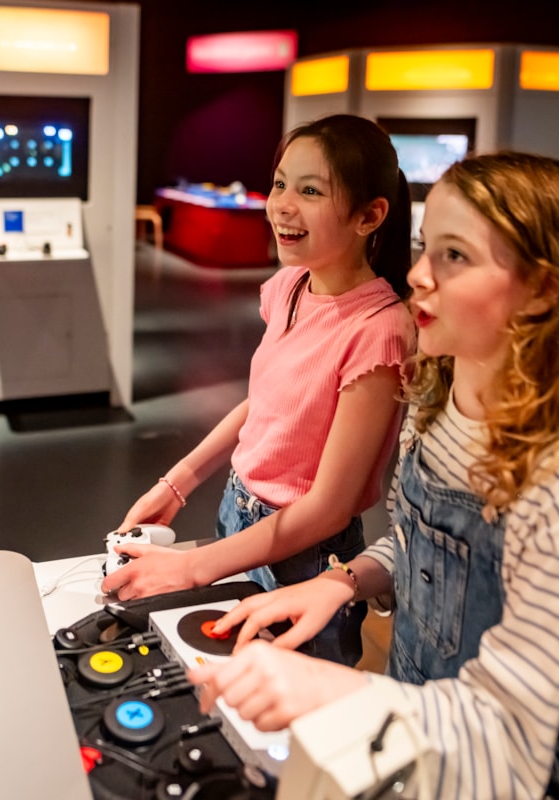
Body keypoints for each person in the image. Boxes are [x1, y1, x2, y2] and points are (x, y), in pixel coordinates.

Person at [188, 152, 559, 799]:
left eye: (455, 256)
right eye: (426, 248)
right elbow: (434, 542)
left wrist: (333, 687)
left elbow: (510, 733)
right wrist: (345, 581)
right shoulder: (440, 400)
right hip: (420, 734)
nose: (418, 275)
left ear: (544, 289)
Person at [102, 114, 416, 666]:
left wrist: (194, 567)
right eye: (279, 184)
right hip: (239, 513)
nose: (282, 205)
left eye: (311, 191)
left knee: (299, 705)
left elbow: (327, 509)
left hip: (308, 554)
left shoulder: (378, 330)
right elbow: (267, 400)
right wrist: (176, 485)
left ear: (370, 215)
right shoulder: (291, 286)